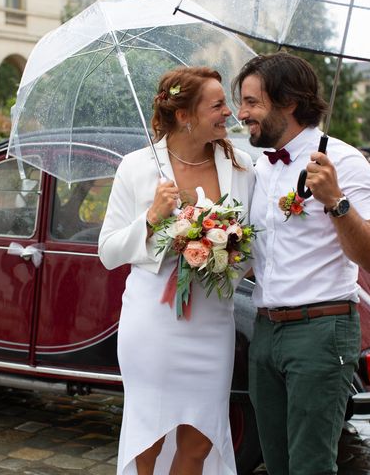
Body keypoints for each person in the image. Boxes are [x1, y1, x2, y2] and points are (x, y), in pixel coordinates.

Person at [232, 52, 370, 475]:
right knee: (277, 462)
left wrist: (335, 202)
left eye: (251, 102)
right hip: (265, 330)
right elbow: (253, 253)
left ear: (289, 103)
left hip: (321, 332)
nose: (242, 113)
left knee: (312, 465)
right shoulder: (258, 170)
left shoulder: (345, 161)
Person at [99, 67, 255, 475]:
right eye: (218, 105)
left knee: (200, 441)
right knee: (147, 438)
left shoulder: (241, 168)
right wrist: (151, 218)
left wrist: (226, 258)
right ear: (185, 115)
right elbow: (108, 251)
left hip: (212, 324)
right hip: (153, 326)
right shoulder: (135, 168)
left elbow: (254, 242)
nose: (230, 112)